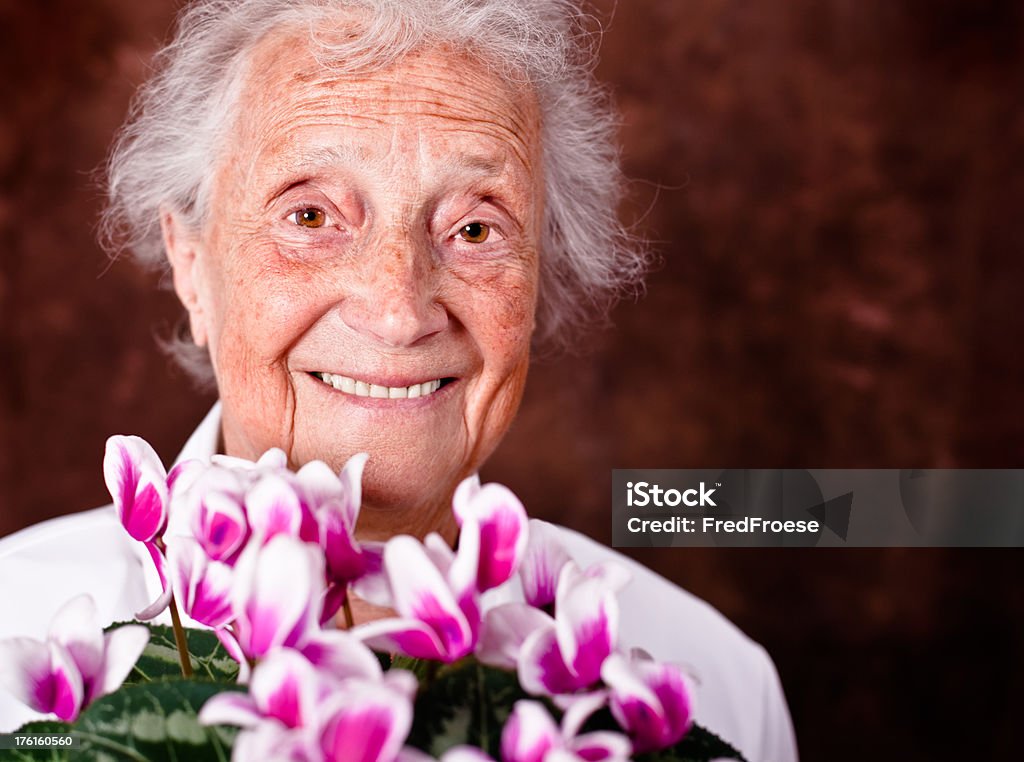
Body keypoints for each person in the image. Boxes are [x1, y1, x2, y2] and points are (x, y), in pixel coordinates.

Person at [0, 1, 798, 758]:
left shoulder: (713, 685)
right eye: (309, 216)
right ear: (191, 262)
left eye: (475, 227)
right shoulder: (14, 632)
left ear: (539, 280)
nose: (398, 311)